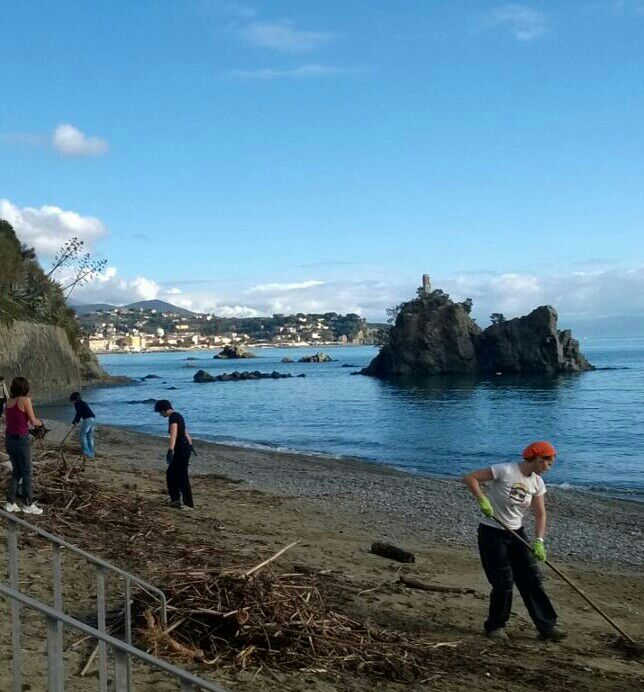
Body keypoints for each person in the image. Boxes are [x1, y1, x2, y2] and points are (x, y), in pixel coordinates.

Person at [463, 441, 566, 642]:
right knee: (503, 581)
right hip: (492, 532)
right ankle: (495, 626)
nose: (549, 467)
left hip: (517, 533)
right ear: (537, 458)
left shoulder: (537, 482)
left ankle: (546, 627)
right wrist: (482, 500)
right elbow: (470, 478)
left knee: (531, 578)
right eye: (548, 463)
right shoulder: (505, 470)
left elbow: (540, 515)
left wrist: (539, 541)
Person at [2, 376, 44, 515]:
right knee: (27, 472)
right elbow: (32, 420)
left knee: (17, 471)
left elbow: (12, 420)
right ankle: (29, 504)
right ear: (25, 387)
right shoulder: (25, 400)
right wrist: (41, 423)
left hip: (9, 439)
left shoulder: (8, 401)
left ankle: (10, 502)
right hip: (21, 439)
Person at [153, 400, 195, 510]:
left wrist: (170, 450)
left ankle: (189, 504)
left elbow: (174, 435)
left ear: (163, 410)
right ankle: (175, 499)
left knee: (182, 475)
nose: (160, 415)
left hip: (181, 449)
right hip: (184, 447)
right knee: (171, 473)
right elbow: (185, 432)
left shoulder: (172, 417)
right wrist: (190, 444)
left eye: (160, 412)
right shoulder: (178, 415)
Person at [70, 391, 96, 458]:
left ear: (74, 399)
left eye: (72, 400)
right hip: (93, 418)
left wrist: (75, 422)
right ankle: (91, 454)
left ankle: (86, 452)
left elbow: (78, 414)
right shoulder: (83, 402)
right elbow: (80, 413)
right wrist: (76, 421)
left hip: (87, 419)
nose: (72, 402)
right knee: (89, 437)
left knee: (82, 435)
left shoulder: (77, 404)